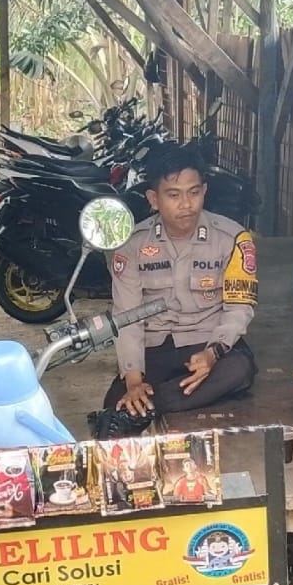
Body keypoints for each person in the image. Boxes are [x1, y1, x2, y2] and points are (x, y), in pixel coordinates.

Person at [95, 144, 259, 438]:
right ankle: (153, 403)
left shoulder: (233, 238)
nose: (186, 204)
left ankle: (149, 406)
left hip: (208, 343)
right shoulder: (132, 245)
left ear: (204, 191)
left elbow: (239, 309)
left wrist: (213, 353)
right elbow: (127, 316)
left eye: (194, 192)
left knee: (238, 370)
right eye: (173, 195)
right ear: (153, 199)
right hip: (155, 348)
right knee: (115, 411)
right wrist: (134, 380)